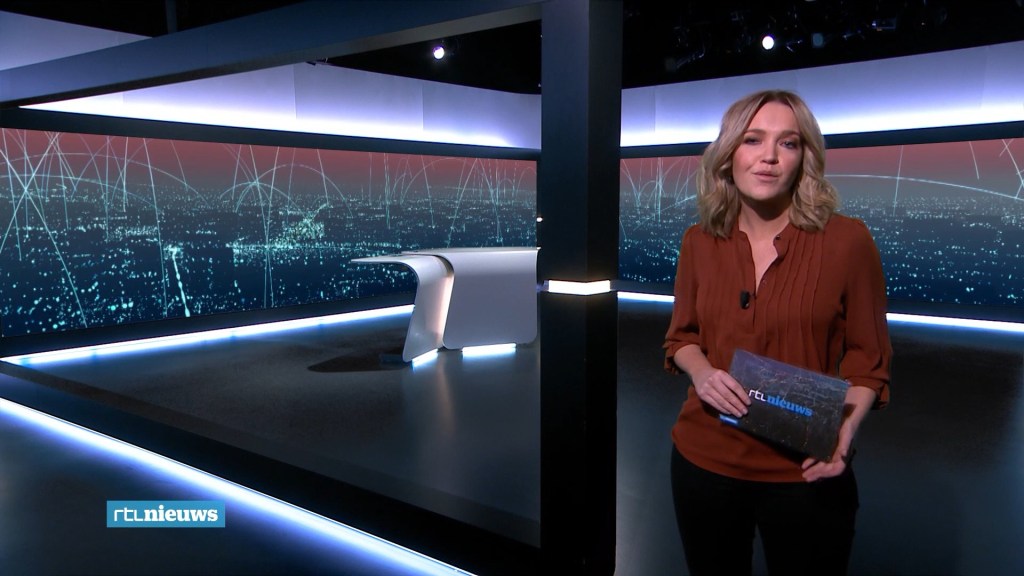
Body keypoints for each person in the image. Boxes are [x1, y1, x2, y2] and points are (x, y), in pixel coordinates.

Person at [663, 89, 892, 576]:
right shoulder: (699, 241)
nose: (769, 156)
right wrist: (702, 373)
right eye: (752, 140)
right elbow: (681, 338)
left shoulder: (848, 241)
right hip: (704, 462)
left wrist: (844, 432)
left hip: (805, 471)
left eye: (788, 143)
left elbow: (868, 361)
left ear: (804, 157)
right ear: (728, 154)